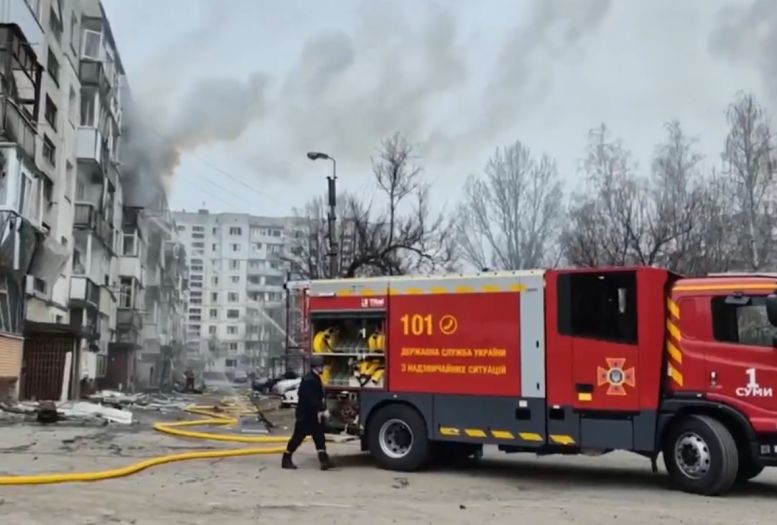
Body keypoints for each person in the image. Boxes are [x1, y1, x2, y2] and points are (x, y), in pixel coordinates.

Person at [281, 354, 333, 470]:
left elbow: (318, 397)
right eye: (321, 366)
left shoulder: (315, 378)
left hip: (313, 415)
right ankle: (286, 459)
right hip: (305, 416)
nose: (323, 368)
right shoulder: (309, 380)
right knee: (297, 438)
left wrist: (321, 409)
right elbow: (311, 399)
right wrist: (322, 409)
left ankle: (324, 461)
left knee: (319, 437)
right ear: (316, 367)